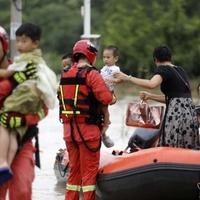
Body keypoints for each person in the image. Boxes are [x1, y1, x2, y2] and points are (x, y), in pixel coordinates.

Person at [0, 23, 57, 185]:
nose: (19, 45)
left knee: (22, 188)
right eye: (17, 41)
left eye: (23, 41)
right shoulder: (18, 71)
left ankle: (4, 167)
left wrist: (24, 120)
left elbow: (44, 108)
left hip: (23, 137)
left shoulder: (22, 67)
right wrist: (13, 82)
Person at [58, 39, 115, 200]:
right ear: (91, 55)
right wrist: (113, 96)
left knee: (74, 171)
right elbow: (106, 98)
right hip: (88, 132)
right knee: (89, 173)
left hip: (69, 131)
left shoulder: (65, 74)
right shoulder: (92, 74)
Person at [115, 45, 200, 150]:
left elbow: (151, 84)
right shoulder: (180, 70)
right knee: (187, 146)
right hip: (189, 114)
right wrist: (150, 96)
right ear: (170, 57)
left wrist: (127, 78)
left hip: (177, 115)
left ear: (155, 59)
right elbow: (175, 99)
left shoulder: (163, 69)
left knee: (172, 146)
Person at [100, 45, 121, 148]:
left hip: (108, 92)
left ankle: (106, 125)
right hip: (101, 90)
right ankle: (103, 130)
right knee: (100, 110)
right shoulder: (104, 68)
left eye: (108, 57)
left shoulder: (115, 69)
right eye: (104, 57)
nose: (105, 59)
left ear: (115, 58)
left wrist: (113, 80)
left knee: (104, 109)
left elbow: (120, 80)